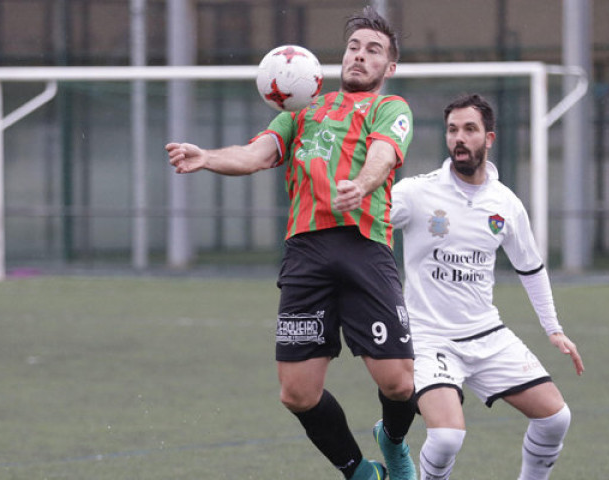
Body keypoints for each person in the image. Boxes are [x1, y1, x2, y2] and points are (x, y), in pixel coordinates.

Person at [166, 7, 417, 480]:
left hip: (365, 247)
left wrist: (361, 185)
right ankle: (363, 474)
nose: (360, 56)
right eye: (354, 47)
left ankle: (395, 440)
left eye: (373, 51)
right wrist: (208, 157)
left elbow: (384, 155)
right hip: (306, 253)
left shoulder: (389, 108)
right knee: (297, 393)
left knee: (400, 383)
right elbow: (255, 155)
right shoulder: (302, 112)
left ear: (389, 67)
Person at [390, 94, 585, 480]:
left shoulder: (505, 204)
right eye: (452, 130)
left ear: (489, 138)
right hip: (430, 339)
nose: (459, 138)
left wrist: (554, 329)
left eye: (469, 129)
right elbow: (367, 224)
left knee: (556, 418)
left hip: (487, 334)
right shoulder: (415, 193)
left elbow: (530, 268)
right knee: (446, 438)